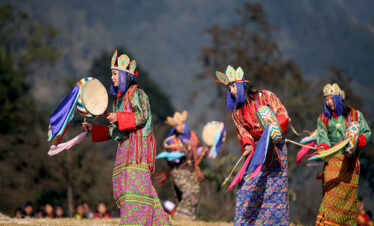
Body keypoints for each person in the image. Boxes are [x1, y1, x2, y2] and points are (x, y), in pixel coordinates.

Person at [82, 50, 170, 225]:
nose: (112, 77)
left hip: (137, 155)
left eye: (115, 74)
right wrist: (94, 129)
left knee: (135, 196)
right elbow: (116, 132)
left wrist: (119, 118)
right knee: (138, 195)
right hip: (125, 156)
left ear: (124, 75)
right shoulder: (119, 102)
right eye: (111, 74)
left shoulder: (137, 94)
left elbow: (141, 116)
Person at [215, 65, 290, 225]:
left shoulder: (265, 96)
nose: (232, 91)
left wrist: (274, 129)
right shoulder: (236, 112)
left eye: (234, 86)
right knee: (248, 186)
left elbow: (282, 113)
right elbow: (243, 131)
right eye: (229, 88)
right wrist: (248, 144)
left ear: (242, 84)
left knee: (275, 187)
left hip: (275, 148)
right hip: (257, 151)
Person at [315, 83, 371, 225]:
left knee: (348, 204)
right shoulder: (323, 118)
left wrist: (358, 140)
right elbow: (322, 137)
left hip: (350, 166)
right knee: (329, 200)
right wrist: (323, 147)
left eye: (332, 98)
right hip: (332, 164)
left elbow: (366, 132)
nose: (329, 102)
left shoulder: (355, 115)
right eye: (326, 99)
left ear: (339, 98)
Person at [156, 111, 208, 220]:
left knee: (195, 194)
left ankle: (190, 218)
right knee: (188, 192)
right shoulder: (171, 141)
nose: (181, 127)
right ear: (174, 127)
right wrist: (179, 151)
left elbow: (197, 151)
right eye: (177, 125)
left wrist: (203, 149)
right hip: (179, 171)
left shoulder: (193, 137)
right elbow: (170, 157)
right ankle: (180, 216)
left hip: (192, 171)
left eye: (182, 124)